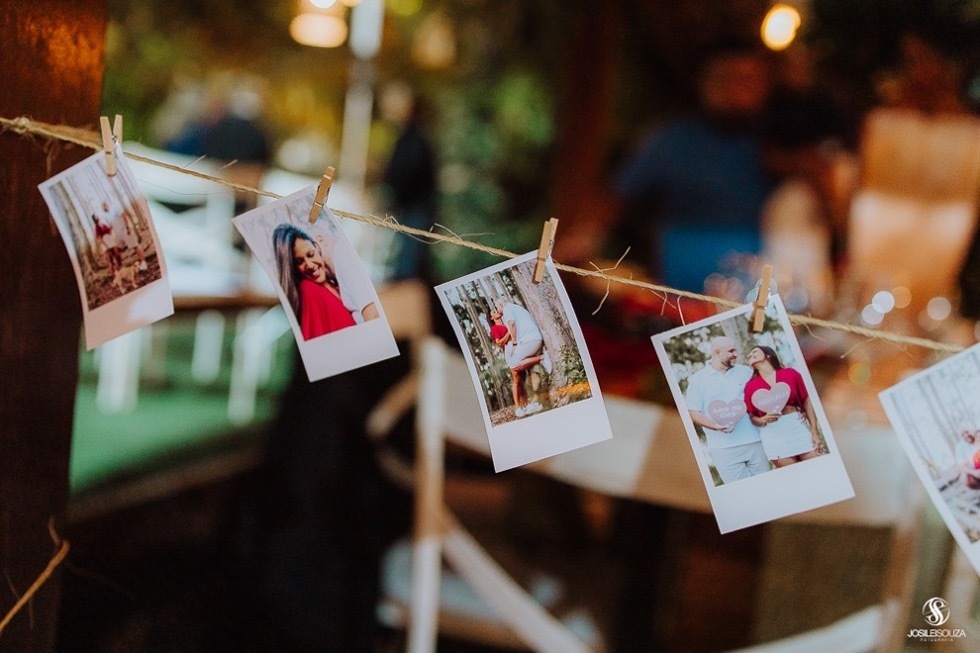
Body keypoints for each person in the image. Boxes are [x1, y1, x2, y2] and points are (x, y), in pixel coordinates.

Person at [613, 41, 773, 296]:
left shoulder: (780, 147)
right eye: (725, 79)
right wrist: (579, 241)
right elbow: (616, 198)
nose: (736, 90)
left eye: (748, 80)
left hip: (757, 296)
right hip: (676, 296)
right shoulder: (669, 140)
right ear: (703, 83)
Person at [272, 224, 379, 341]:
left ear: (316, 246)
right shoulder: (309, 290)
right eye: (299, 262)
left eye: (310, 254)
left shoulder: (335, 281)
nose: (310, 265)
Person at [685, 336, 769, 483]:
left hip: (755, 442)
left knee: (767, 486)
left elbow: (759, 398)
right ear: (717, 353)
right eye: (731, 351)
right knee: (742, 494)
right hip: (723, 450)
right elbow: (693, 411)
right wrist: (715, 425)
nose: (735, 354)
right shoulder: (698, 380)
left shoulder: (746, 372)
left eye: (735, 350)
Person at [743, 345, 822, 467]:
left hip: (797, 427)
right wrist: (763, 420)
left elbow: (806, 401)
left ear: (768, 355)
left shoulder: (791, 374)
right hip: (773, 435)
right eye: (749, 354)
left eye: (755, 351)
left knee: (818, 467)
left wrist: (814, 432)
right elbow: (752, 417)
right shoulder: (750, 387)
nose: (750, 355)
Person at [490, 298, 552, 418]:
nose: (497, 311)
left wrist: (513, 338)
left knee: (527, 375)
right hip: (513, 351)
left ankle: (532, 403)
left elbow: (513, 327)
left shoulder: (508, 315)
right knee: (517, 380)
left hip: (522, 346)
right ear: (492, 318)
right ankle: (519, 407)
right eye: (494, 312)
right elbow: (499, 343)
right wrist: (511, 337)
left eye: (496, 308)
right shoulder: (496, 328)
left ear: (501, 305)